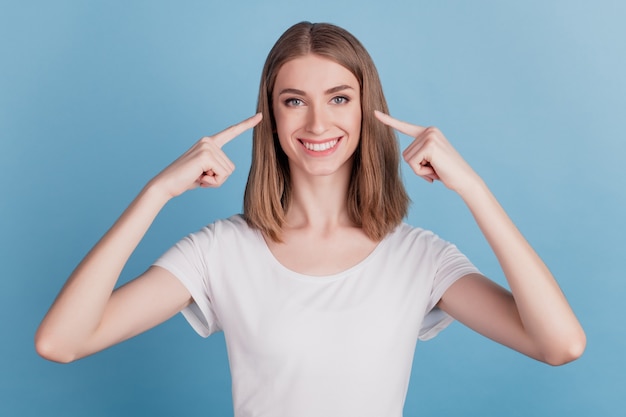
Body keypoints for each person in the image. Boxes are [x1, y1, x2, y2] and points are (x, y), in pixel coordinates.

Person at [35, 21, 585, 416]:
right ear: (270, 117)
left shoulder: (419, 257)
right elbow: (61, 342)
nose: (319, 121)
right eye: (294, 100)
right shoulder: (219, 252)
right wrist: (156, 193)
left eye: (339, 98)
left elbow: (560, 346)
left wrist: (475, 190)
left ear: (367, 109)